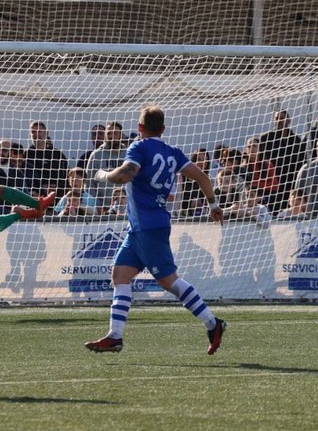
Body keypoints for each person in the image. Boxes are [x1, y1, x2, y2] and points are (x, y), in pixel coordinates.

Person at [85, 105, 226, 355]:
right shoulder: (173, 152)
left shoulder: (138, 147)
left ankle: (213, 324)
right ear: (163, 129)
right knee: (120, 275)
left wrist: (104, 175)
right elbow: (204, 178)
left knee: (168, 281)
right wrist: (213, 204)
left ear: (139, 128)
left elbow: (126, 173)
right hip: (141, 228)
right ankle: (115, 336)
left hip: (149, 226)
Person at [258, 109, 306, 207]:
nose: (279, 120)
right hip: (271, 184)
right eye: (277, 118)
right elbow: (260, 160)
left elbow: (300, 162)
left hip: (290, 184)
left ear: (288, 121)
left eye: (282, 118)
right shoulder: (266, 138)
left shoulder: (296, 140)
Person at [84, 121, 129, 215]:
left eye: (115, 133)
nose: (111, 136)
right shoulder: (96, 155)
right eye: (108, 133)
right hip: (102, 208)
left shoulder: (129, 154)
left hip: (127, 207)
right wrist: (97, 206)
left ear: (121, 135)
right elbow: (89, 183)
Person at [23, 121, 69, 197]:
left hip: (55, 197)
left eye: (39, 131)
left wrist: (56, 188)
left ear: (46, 133)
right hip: (33, 197)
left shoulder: (57, 155)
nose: (36, 134)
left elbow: (65, 177)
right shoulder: (26, 155)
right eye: (33, 132)